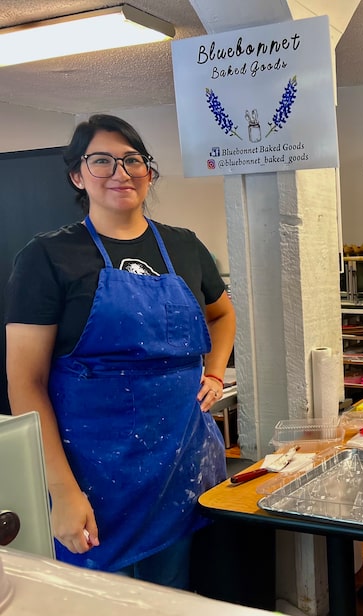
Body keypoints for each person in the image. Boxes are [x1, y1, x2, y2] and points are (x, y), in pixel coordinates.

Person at [4, 114, 236, 589]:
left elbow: (224, 314)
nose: (120, 172)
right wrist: (62, 491)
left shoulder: (184, 246)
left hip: (180, 469)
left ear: (149, 172)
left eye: (133, 160)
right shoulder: (47, 258)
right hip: (95, 480)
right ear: (77, 174)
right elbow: (24, 382)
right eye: (102, 160)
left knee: (172, 599)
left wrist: (214, 373)